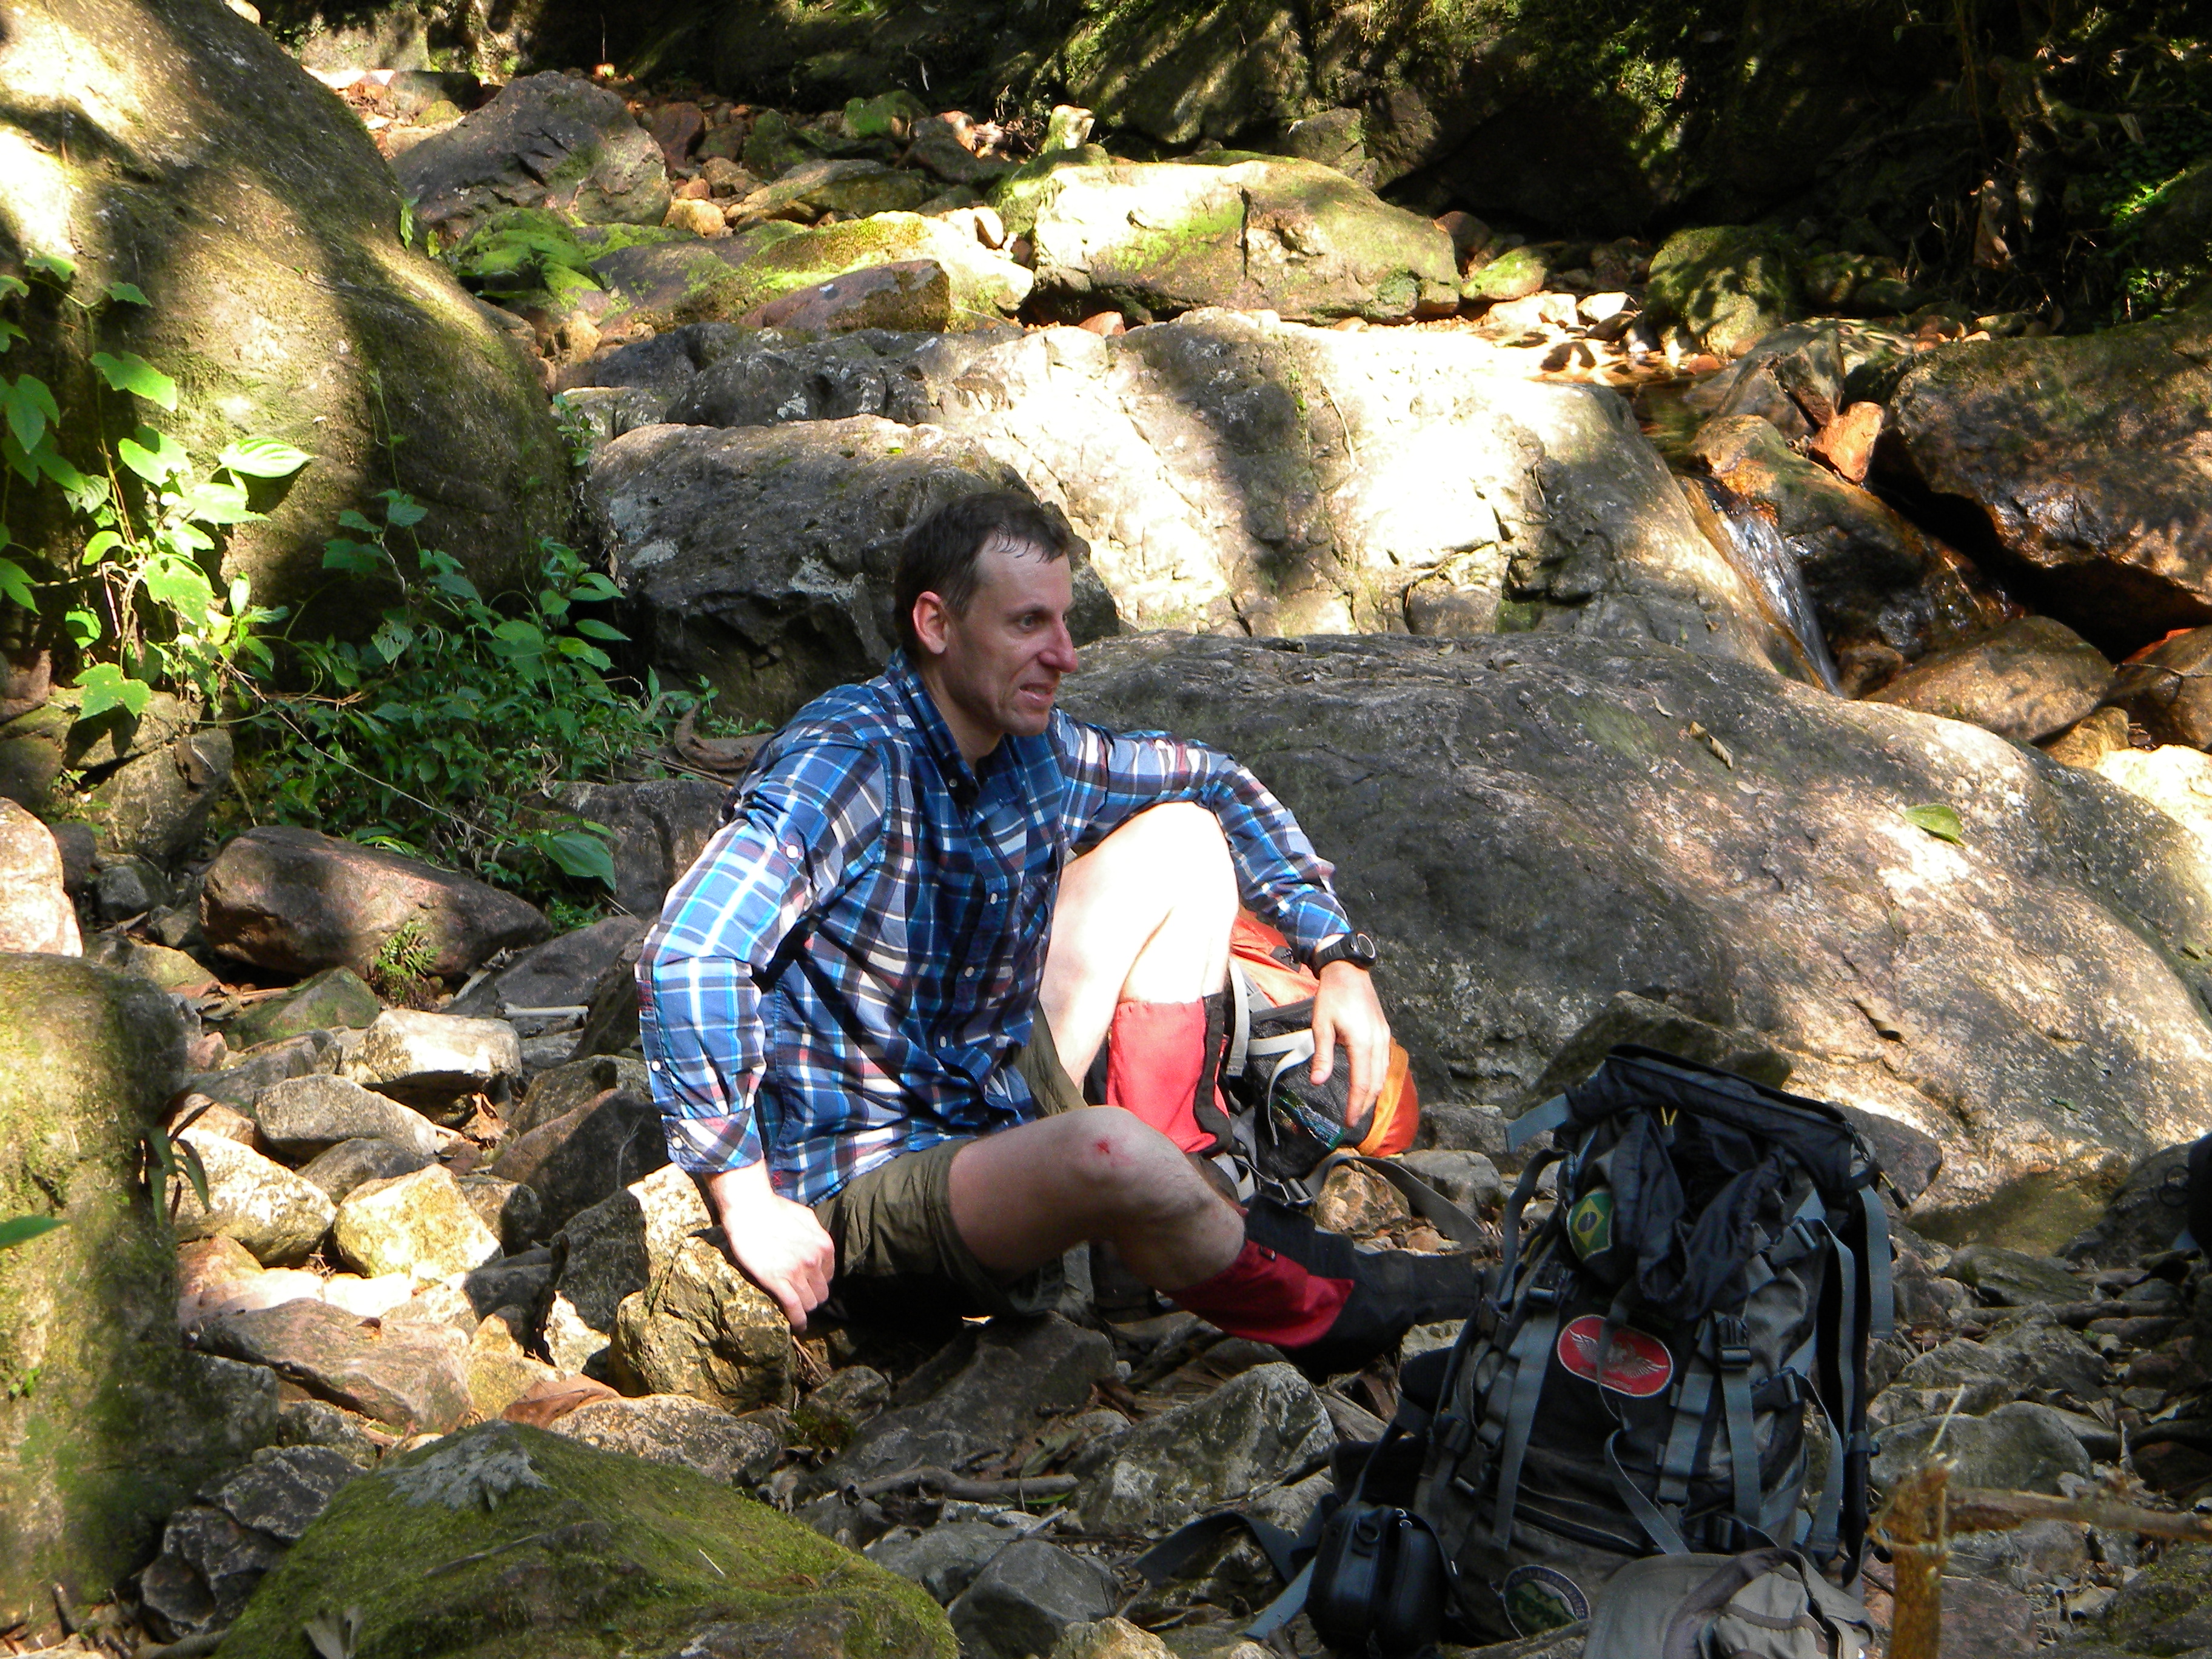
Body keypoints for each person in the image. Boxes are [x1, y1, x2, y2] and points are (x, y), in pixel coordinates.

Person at [638, 491, 1473, 1375]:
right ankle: (1331, 1302)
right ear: (936, 624)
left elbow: (1215, 782)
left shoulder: (1031, 745)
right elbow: (692, 952)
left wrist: (1337, 957)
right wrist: (746, 1200)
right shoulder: (847, 763)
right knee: (1108, 1151)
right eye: (1029, 623)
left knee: (1185, 838)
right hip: (864, 1174)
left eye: (1064, 622)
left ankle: (1161, 1232)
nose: (1066, 655)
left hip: (986, 1080)